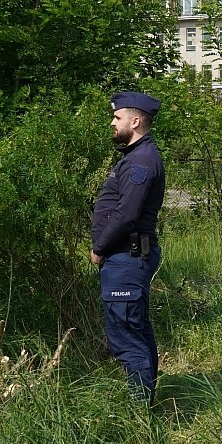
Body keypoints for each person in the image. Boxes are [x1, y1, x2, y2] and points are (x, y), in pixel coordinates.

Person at [90, 91, 165, 402]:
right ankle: (146, 400)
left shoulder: (142, 161)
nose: (113, 122)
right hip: (127, 256)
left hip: (125, 256)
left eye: (117, 118)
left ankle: (139, 412)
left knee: (127, 337)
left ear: (135, 121)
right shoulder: (136, 157)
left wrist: (100, 247)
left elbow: (126, 214)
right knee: (136, 329)